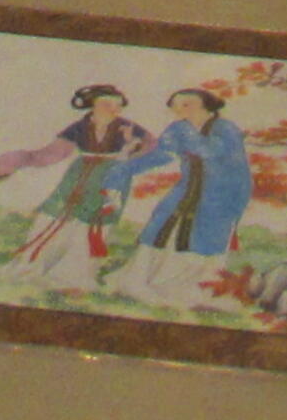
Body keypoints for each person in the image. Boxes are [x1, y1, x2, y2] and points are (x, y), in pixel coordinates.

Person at [0, 83, 154, 289]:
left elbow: (151, 147)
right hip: (77, 176)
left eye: (118, 106)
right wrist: (19, 160)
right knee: (52, 216)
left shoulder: (129, 127)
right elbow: (52, 154)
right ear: (92, 105)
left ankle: (72, 276)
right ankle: (31, 265)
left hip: (111, 179)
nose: (114, 110)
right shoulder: (79, 127)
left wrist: (132, 147)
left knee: (92, 227)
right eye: (107, 104)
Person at [105, 86, 254, 304]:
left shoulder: (225, 128)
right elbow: (161, 155)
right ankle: (141, 283)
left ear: (207, 105)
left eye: (186, 104)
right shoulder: (178, 128)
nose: (179, 110)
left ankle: (192, 292)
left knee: (205, 241)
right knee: (161, 225)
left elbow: (210, 151)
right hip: (186, 191)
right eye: (176, 106)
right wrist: (125, 168)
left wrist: (186, 132)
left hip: (219, 197)